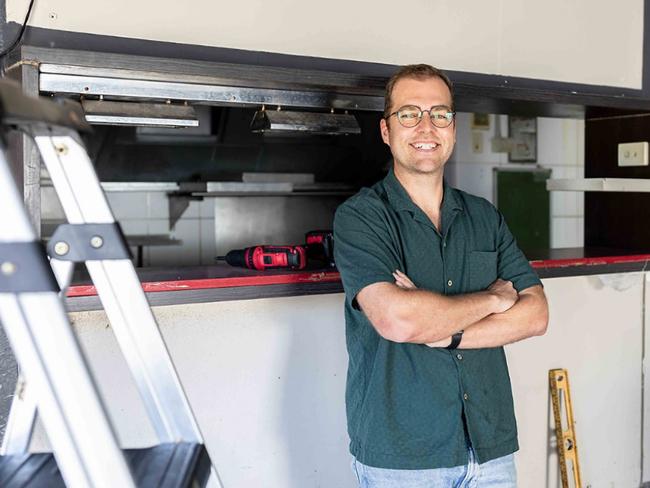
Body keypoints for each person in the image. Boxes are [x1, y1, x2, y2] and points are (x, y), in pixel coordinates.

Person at [333, 64, 549, 487]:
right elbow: (398, 319)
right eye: (409, 114)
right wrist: (492, 300)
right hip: (404, 453)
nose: (426, 126)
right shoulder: (361, 217)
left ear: (453, 126)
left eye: (440, 113)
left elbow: (536, 315)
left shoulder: (483, 216)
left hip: (490, 446)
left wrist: (445, 332)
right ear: (385, 130)